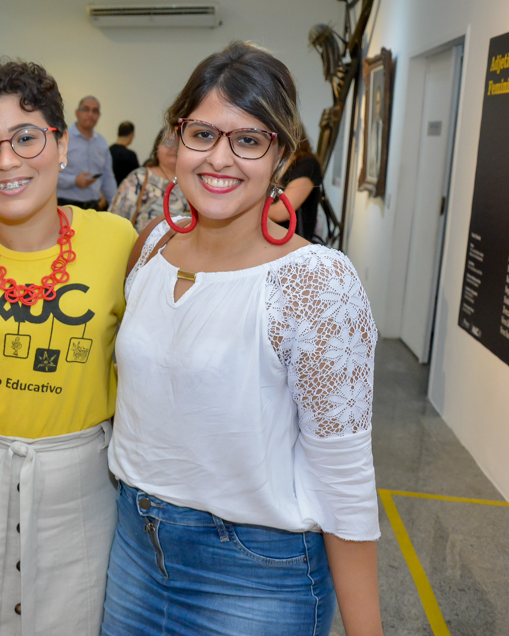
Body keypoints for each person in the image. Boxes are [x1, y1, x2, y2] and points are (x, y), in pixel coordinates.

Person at [103, 41, 382, 636]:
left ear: (279, 154)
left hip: (255, 573)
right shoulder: (150, 246)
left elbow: (345, 478)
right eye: (202, 134)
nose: (219, 159)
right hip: (133, 548)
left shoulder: (314, 281)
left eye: (248, 139)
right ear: (176, 140)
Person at [0, 58, 138, 636]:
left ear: (62, 143)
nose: (8, 161)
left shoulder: (118, 243)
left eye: (26, 137)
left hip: (82, 490)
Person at [110, 128, 187, 233]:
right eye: (168, 142)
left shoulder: (194, 183)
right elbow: (115, 219)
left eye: (179, 144)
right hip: (138, 247)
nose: (174, 148)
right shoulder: (139, 177)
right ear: (157, 147)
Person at [56, 96, 117, 210]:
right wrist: (74, 181)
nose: (90, 114)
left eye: (95, 111)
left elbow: (108, 177)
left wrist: (116, 206)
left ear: (98, 116)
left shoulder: (102, 142)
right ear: (77, 113)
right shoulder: (62, 138)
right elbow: (50, 173)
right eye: (86, 109)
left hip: (93, 206)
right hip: (65, 204)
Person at [269, 127, 324, 241]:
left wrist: (247, 210)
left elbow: (281, 212)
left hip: (292, 243)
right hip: (269, 238)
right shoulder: (273, 162)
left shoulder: (307, 164)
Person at [109, 121, 139, 186]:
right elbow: (137, 178)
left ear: (118, 133)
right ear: (132, 135)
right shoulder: (130, 155)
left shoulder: (107, 151)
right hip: (123, 192)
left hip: (108, 192)